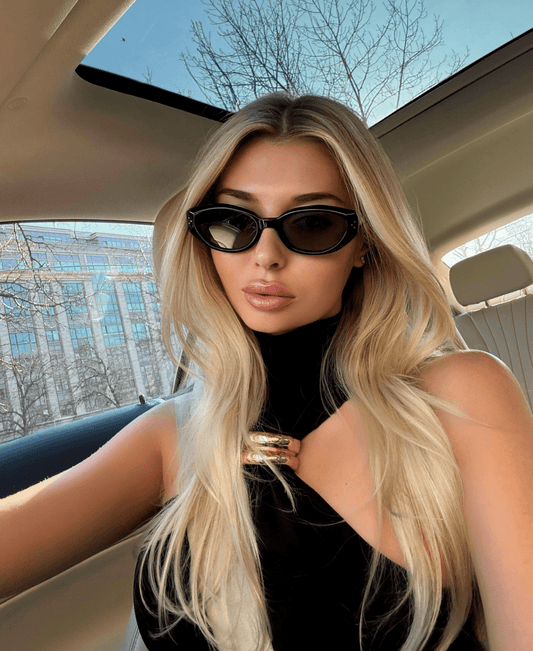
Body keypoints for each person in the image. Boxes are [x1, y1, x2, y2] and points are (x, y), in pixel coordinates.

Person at [1, 92, 532, 651]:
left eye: (313, 223)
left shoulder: (460, 394)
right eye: (234, 221)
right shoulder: (171, 434)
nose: (266, 255)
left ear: (364, 244)